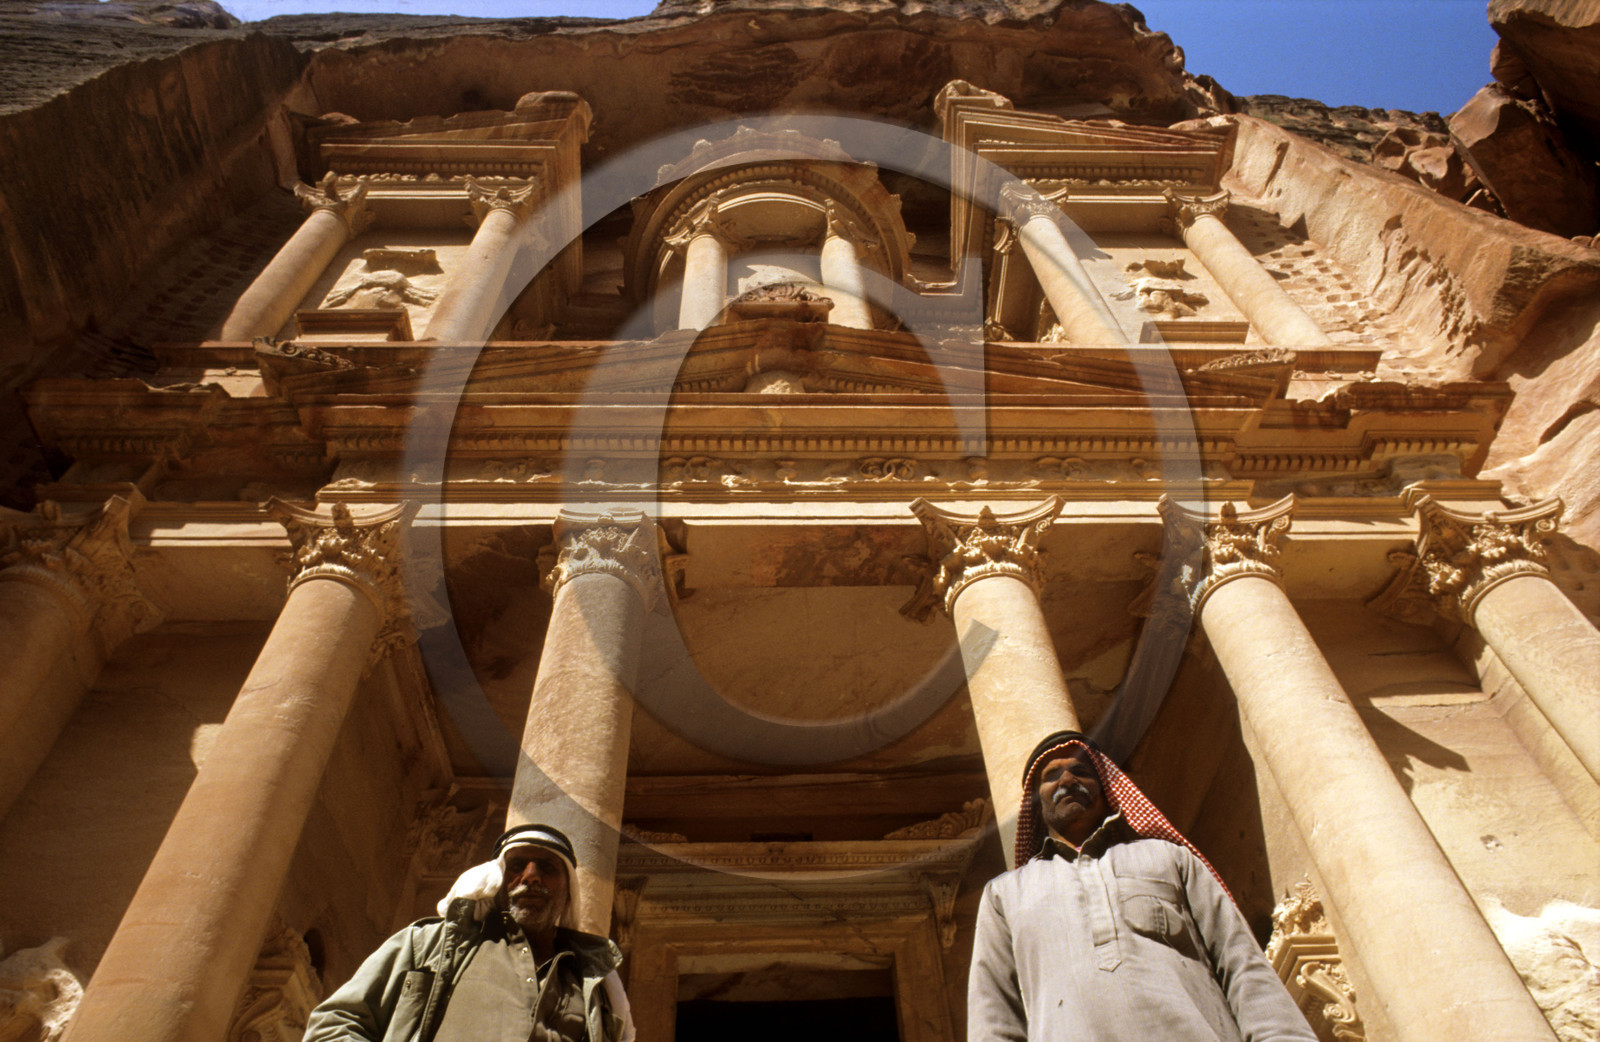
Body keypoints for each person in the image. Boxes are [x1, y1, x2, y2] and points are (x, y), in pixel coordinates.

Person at [968, 731, 1316, 1042]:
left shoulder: (1169, 858)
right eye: (1052, 776)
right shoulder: (1005, 895)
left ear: (1106, 790)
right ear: (1036, 805)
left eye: (1082, 772)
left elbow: (1240, 963)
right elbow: (994, 1015)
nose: (1068, 779)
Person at [305, 823, 635, 1042]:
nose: (531, 877)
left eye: (547, 868)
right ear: (496, 878)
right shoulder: (427, 945)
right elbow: (335, 1023)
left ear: (568, 892)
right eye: (517, 866)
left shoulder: (598, 986)